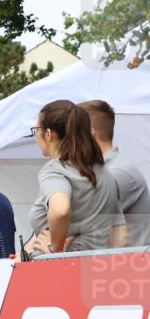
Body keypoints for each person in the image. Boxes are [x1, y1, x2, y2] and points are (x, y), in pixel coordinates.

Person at [28, 99, 127, 254]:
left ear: (48, 134)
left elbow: (60, 210)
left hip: (60, 269)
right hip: (97, 266)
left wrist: (55, 247)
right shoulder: (104, 173)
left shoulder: (56, 170)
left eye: (36, 130)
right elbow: (120, 235)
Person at [79, 100, 150, 247]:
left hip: (128, 267)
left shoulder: (116, 173)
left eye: (73, 134)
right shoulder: (106, 170)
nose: (68, 141)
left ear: (89, 134)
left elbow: (80, 228)